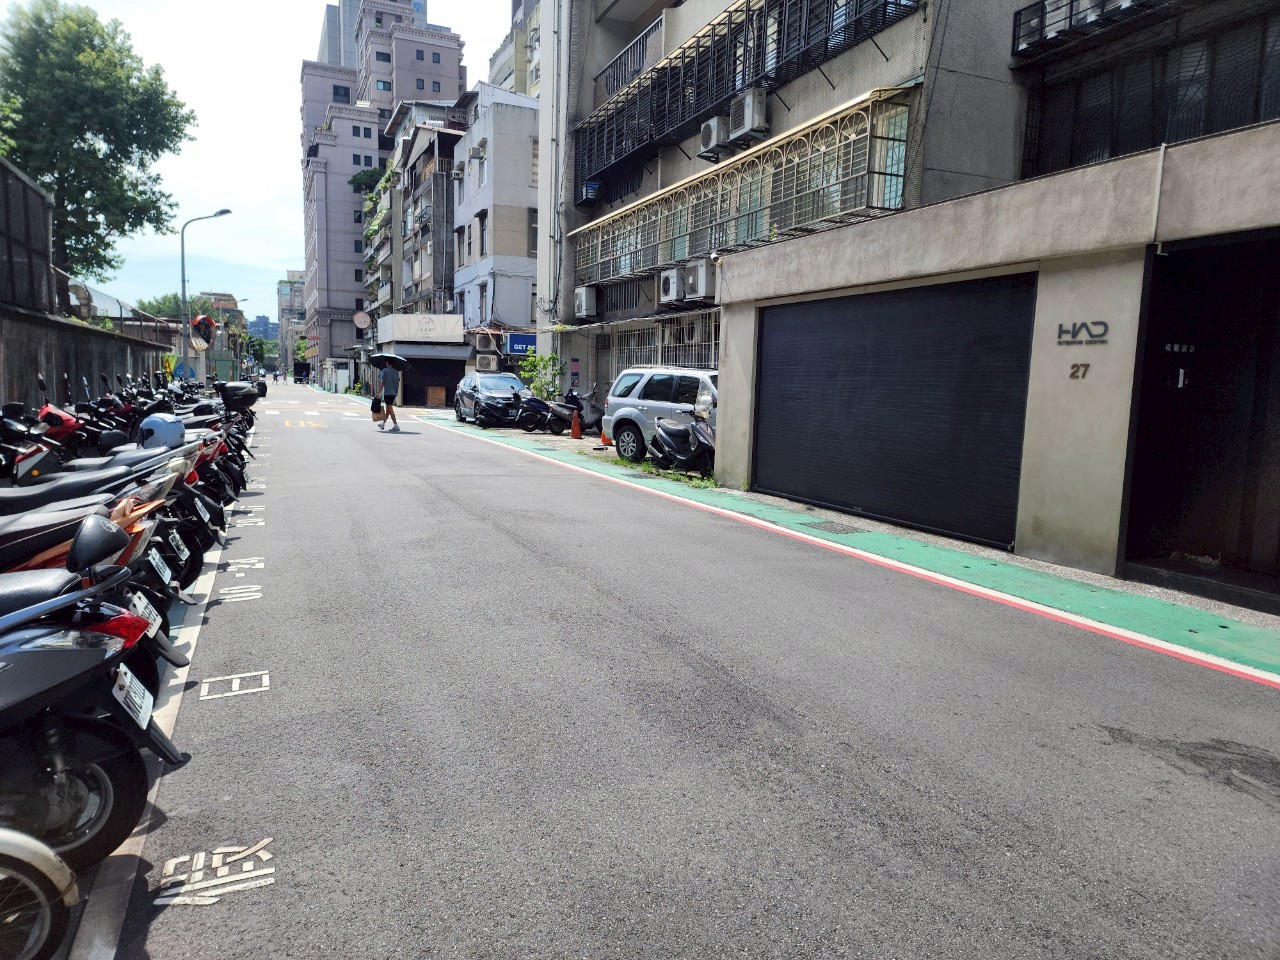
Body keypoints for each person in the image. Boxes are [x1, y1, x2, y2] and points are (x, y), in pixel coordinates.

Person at [377, 365, 400, 432]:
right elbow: (398, 381)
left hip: (387, 393)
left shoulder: (384, 370)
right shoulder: (396, 371)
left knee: (390, 408)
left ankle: (396, 425)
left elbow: (383, 382)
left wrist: (378, 392)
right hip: (394, 393)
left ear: (387, 362)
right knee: (388, 409)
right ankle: (383, 424)